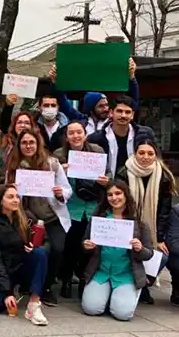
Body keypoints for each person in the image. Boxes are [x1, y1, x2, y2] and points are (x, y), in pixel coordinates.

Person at [6, 129, 72, 306]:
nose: (28, 146)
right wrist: (12, 189)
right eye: (24, 143)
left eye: (31, 142)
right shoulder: (14, 166)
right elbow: (7, 191)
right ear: (19, 146)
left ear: (38, 144)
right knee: (34, 250)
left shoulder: (52, 164)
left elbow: (67, 189)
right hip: (26, 218)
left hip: (52, 217)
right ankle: (29, 284)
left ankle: (48, 287)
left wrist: (60, 194)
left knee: (57, 250)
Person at [81, 181, 154, 321]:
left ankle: (123, 296)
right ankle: (108, 297)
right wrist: (86, 245)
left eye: (118, 193)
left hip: (126, 274)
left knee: (123, 315)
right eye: (110, 195)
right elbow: (84, 243)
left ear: (126, 195)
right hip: (101, 272)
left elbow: (149, 253)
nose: (114, 198)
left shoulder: (139, 223)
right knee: (91, 309)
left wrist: (140, 248)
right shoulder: (99, 219)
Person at [115, 139, 176, 305]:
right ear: (135, 154)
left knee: (161, 255)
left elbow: (164, 210)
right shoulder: (123, 172)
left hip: (152, 227)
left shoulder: (163, 176)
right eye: (141, 153)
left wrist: (159, 238)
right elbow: (117, 200)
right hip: (127, 222)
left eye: (150, 153)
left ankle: (143, 285)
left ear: (156, 155)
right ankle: (127, 282)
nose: (145, 157)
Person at [54, 120, 108, 298]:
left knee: (90, 246)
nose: (76, 136)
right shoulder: (59, 155)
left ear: (85, 134)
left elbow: (108, 175)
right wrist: (60, 170)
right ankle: (66, 279)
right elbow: (51, 179)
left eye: (79, 132)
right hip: (71, 207)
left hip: (92, 206)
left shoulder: (97, 151)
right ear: (66, 136)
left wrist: (104, 180)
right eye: (71, 133)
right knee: (70, 245)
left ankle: (85, 279)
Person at [0, 184, 50, 325]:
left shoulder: (27, 218)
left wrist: (35, 246)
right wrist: (7, 292)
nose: (16, 200)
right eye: (10, 197)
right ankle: (13, 291)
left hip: (22, 266)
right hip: (4, 271)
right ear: (0, 201)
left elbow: (47, 242)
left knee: (40, 253)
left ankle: (34, 304)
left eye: (17, 196)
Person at [50, 59, 140, 135]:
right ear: (91, 109)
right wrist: (55, 82)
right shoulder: (81, 121)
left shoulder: (114, 122)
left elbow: (132, 103)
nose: (106, 109)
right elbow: (63, 103)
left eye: (106, 105)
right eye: (101, 106)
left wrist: (131, 78)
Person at [87, 96, 156, 178]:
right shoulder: (95, 138)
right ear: (111, 113)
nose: (123, 115)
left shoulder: (145, 134)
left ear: (132, 115)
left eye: (127, 112)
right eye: (119, 111)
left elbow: (156, 159)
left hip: (138, 183)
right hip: (107, 186)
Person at [0, 110, 36, 180]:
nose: (23, 125)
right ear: (14, 126)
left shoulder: (37, 144)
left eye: (27, 123)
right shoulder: (6, 145)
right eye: (19, 122)